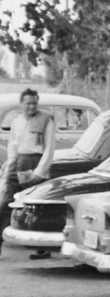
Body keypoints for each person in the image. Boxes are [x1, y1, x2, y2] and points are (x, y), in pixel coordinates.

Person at [1, 87, 57, 257]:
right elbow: (12, 145)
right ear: (21, 104)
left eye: (34, 103)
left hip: (35, 163)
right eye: (28, 103)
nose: (31, 107)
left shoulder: (46, 120)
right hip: (19, 164)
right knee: (6, 204)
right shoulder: (17, 121)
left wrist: (40, 172)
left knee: (36, 206)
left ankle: (43, 247)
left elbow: (49, 148)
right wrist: (10, 166)